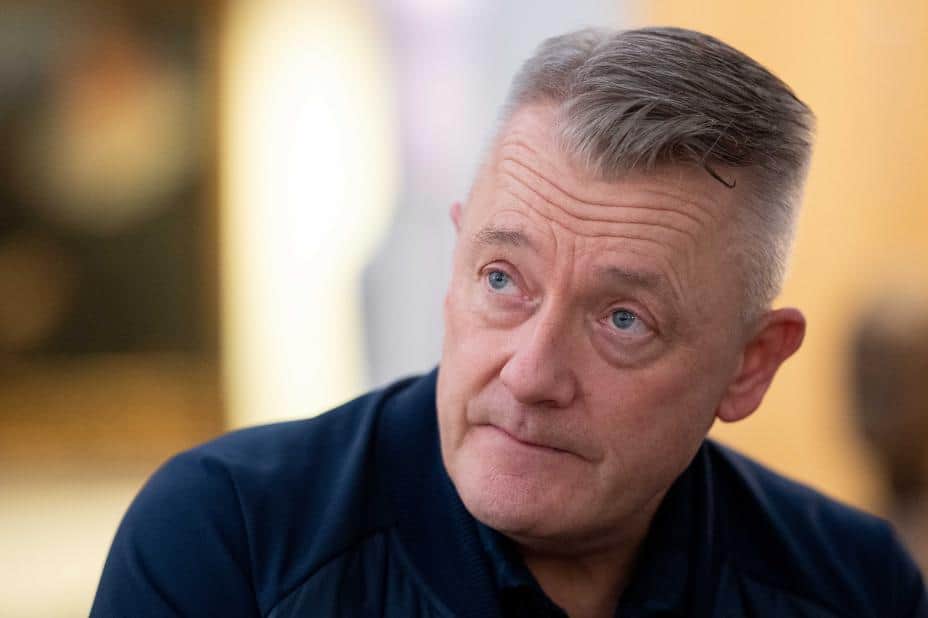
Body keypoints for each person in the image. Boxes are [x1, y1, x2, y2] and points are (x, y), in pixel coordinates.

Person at [92, 27, 928, 617]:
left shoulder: (857, 586)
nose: (529, 375)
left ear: (750, 365)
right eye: (502, 279)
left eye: (624, 320)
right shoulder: (231, 538)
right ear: (456, 261)